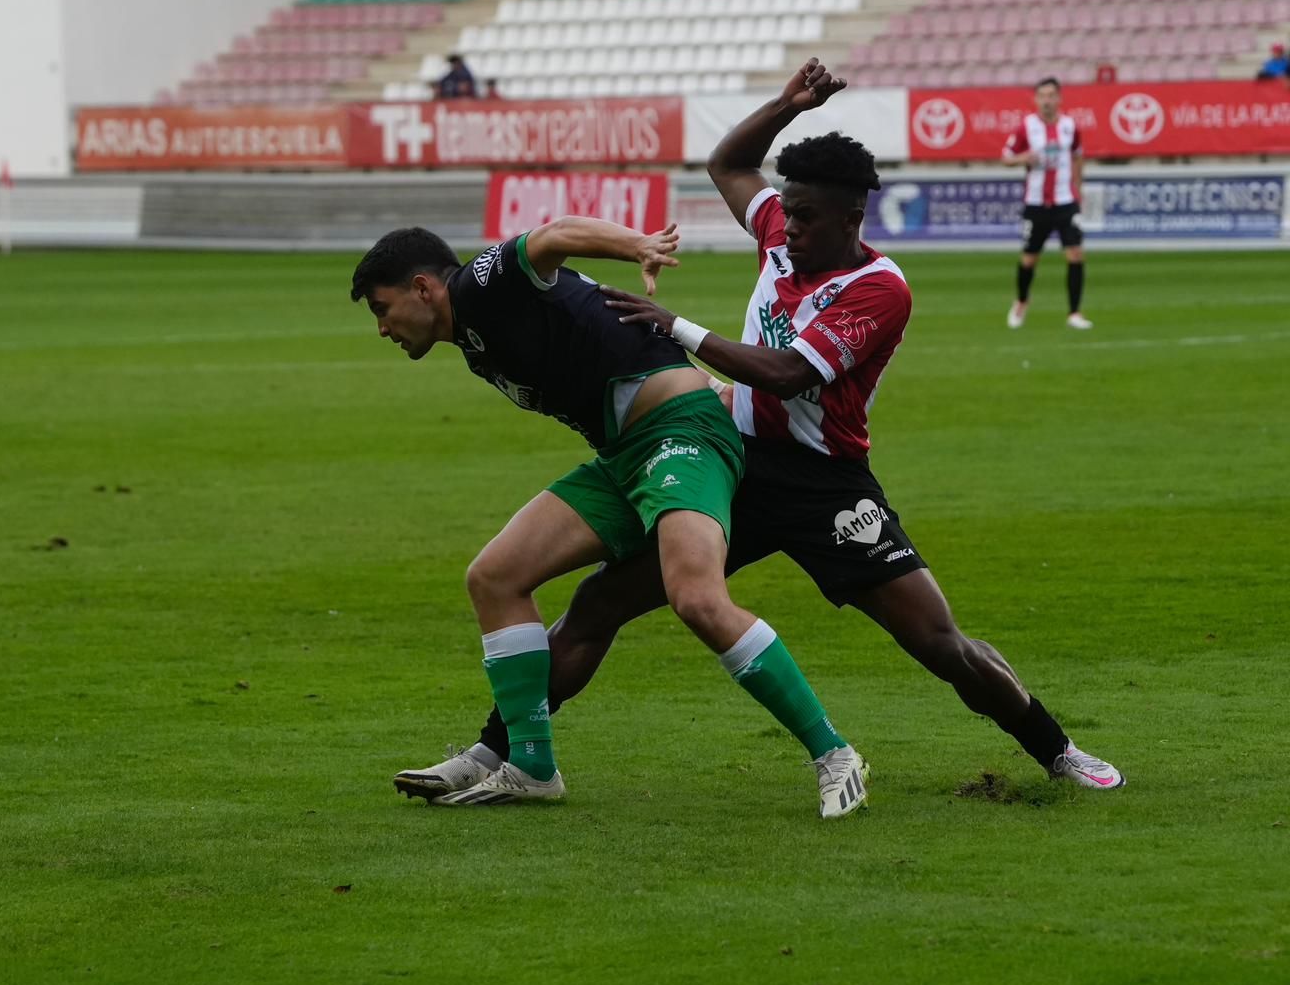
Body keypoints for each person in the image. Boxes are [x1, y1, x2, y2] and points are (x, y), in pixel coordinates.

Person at [401, 58, 1124, 805]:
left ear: (852, 220)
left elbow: (785, 374)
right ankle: (500, 752)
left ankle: (1056, 748)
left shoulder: (879, 290)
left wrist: (675, 327)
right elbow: (729, 162)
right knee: (599, 605)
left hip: (824, 484)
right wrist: (787, 104)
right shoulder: (784, 227)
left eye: (807, 216)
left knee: (939, 643)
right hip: (733, 459)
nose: (789, 225)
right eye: (789, 209)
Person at [352, 216, 868, 815]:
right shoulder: (472, 337)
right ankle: (529, 763)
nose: (383, 327)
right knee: (495, 576)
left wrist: (639, 246)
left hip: (683, 434)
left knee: (697, 597)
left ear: (422, 288)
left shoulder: (476, 287)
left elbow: (552, 236)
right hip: (625, 457)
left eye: (382, 309)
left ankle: (834, 753)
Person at [1002, 77, 1092, 330]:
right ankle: (1021, 301)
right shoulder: (1026, 127)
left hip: (1065, 200)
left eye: (1051, 95)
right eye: (1042, 95)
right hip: (1036, 202)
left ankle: (1074, 312)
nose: (1047, 100)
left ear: (1059, 98)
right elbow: (1006, 157)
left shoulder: (1069, 126)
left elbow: (1077, 156)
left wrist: (1078, 188)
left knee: (1075, 254)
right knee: (1029, 259)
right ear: (1036, 99)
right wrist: (1024, 158)